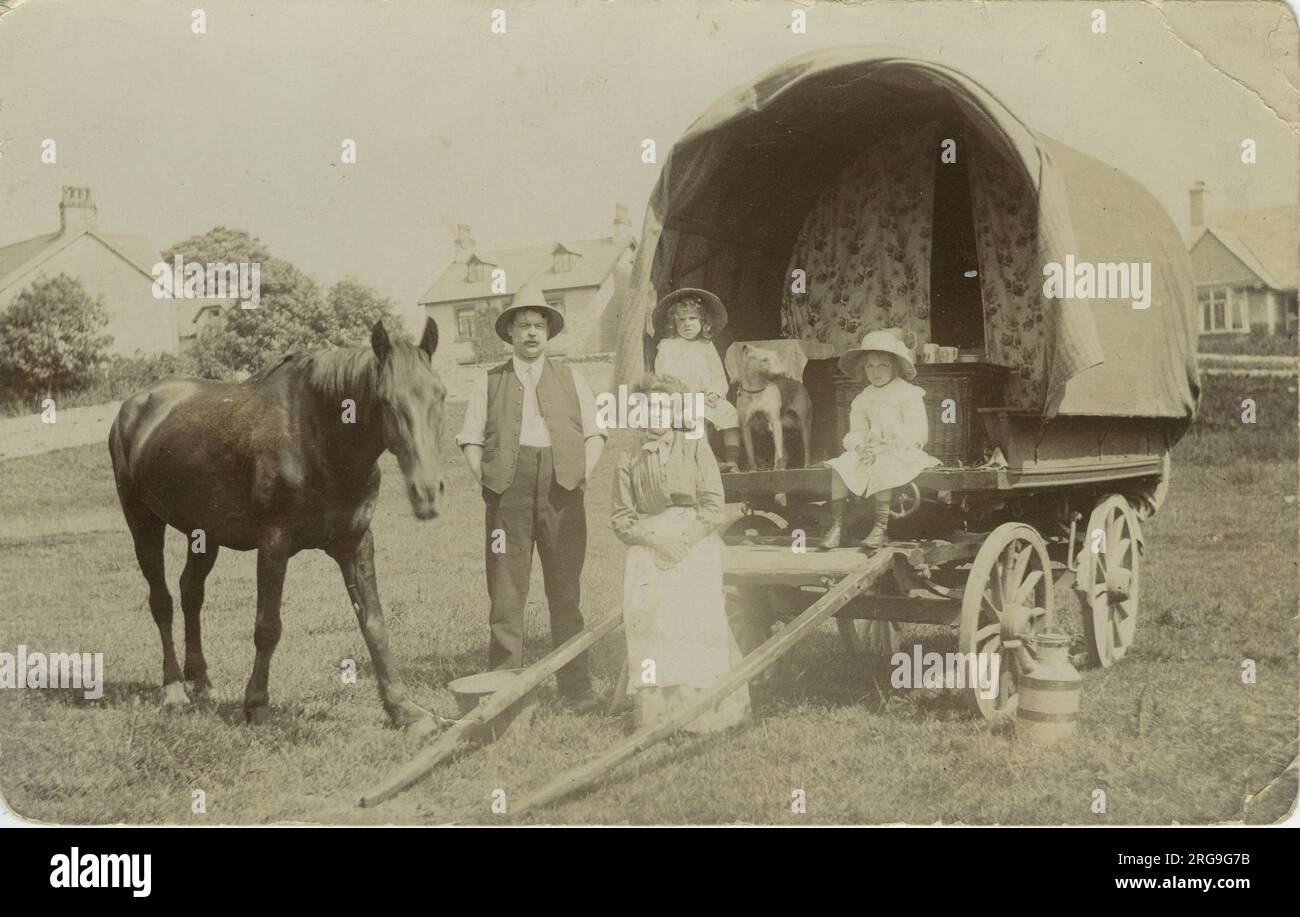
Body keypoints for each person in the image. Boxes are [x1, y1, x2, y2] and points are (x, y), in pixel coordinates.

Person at [457, 282, 607, 713]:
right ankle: (503, 692)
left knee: (566, 590)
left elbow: (595, 434)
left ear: (548, 332)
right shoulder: (489, 381)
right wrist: (490, 481)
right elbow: (470, 438)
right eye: (523, 325)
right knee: (506, 592)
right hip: (508, 493)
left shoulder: (572, 377)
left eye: (538, 325)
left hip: (563, 492)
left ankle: (577, 689)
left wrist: (580, 475)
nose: (531, 333)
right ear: (510, 333)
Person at [610, 373, 749, 734]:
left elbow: (713, 508)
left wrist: (683, 543)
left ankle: (704, 711)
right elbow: (622, 520)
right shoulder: (627, 454)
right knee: (650, 611)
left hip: (695, 540)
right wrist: (657, 541)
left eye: (661, 407)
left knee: (692, 610)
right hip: (649, 543)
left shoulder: (695, 444)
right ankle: (655, 713)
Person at [822, 329, 939, 550]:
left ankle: (879, 528)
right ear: (863, 368)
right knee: (840, 465)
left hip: (902, 451)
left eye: (883, 365)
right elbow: (855, 431)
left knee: (884, 464)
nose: (876, 372)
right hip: (870, 452)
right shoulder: (863, 398)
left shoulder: (908, 393)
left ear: (894, 366)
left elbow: (917, 431)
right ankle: (837, 525)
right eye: (870, 366)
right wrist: (860, 446)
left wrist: (888, 447)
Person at [652, 288, 743, 471]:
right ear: (673, 323)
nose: (687, 324)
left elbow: (717, 375)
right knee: (695, 415)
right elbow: (665, 377)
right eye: (682, 320)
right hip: (680, 399)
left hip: (706, 397)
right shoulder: (668, 347)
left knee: (729, 412)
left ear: (704, 322)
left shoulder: (706, 346)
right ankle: (707, 461)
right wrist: (687, 395)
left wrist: (714, 393)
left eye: (693, 319)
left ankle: (732, 461)